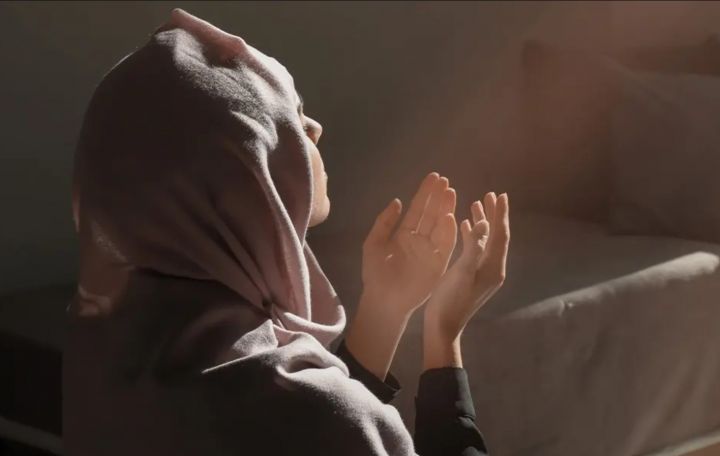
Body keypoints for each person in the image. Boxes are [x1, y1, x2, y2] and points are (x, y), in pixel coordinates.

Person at [64, 8, 510, 456]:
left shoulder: (102, 354)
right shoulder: (308, 415)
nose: (315, 128)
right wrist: (444, 335)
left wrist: (385, 308)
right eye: (291, 114)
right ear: (243, 172)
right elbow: (320, 427)